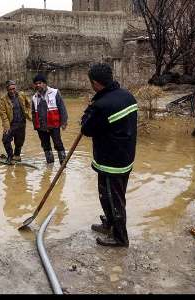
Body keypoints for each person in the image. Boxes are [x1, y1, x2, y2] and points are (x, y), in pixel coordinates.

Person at [81, 63, 138, 248]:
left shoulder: (102, 105)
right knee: (113, 196)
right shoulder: (127, 96)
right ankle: (110, 224)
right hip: (125, 156)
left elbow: (86, 129)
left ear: (96, 83)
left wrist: (89, 110)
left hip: (110, 162)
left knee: (112, 199)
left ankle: (120, 238)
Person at [31, 74, 68, 164]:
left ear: (45, 83)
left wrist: (64, 122)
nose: (38, 85)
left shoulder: (55, 92)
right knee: (45, 146)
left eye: (40, 83)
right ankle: (50, 164)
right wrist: (35, 126)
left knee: (58, 143)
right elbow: (33, 113)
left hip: (54, 125)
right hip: (41, 127)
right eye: (36, 83)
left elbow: (62, 108)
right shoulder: (34, 97)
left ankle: (63, 164)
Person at [0, 80, 32, 164]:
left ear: (15, 87)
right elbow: (3, 114)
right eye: (10, 89)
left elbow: (28, 105)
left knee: (19, 141)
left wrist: (28, 113)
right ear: (7, 90)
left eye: (13, 88)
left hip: (21, 123)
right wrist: (6, 126)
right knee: (5, 139)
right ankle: (10, 155)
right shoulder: (3, 100)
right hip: (11, 124)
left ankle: (17, 156)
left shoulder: (22, 95)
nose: (12, 91)